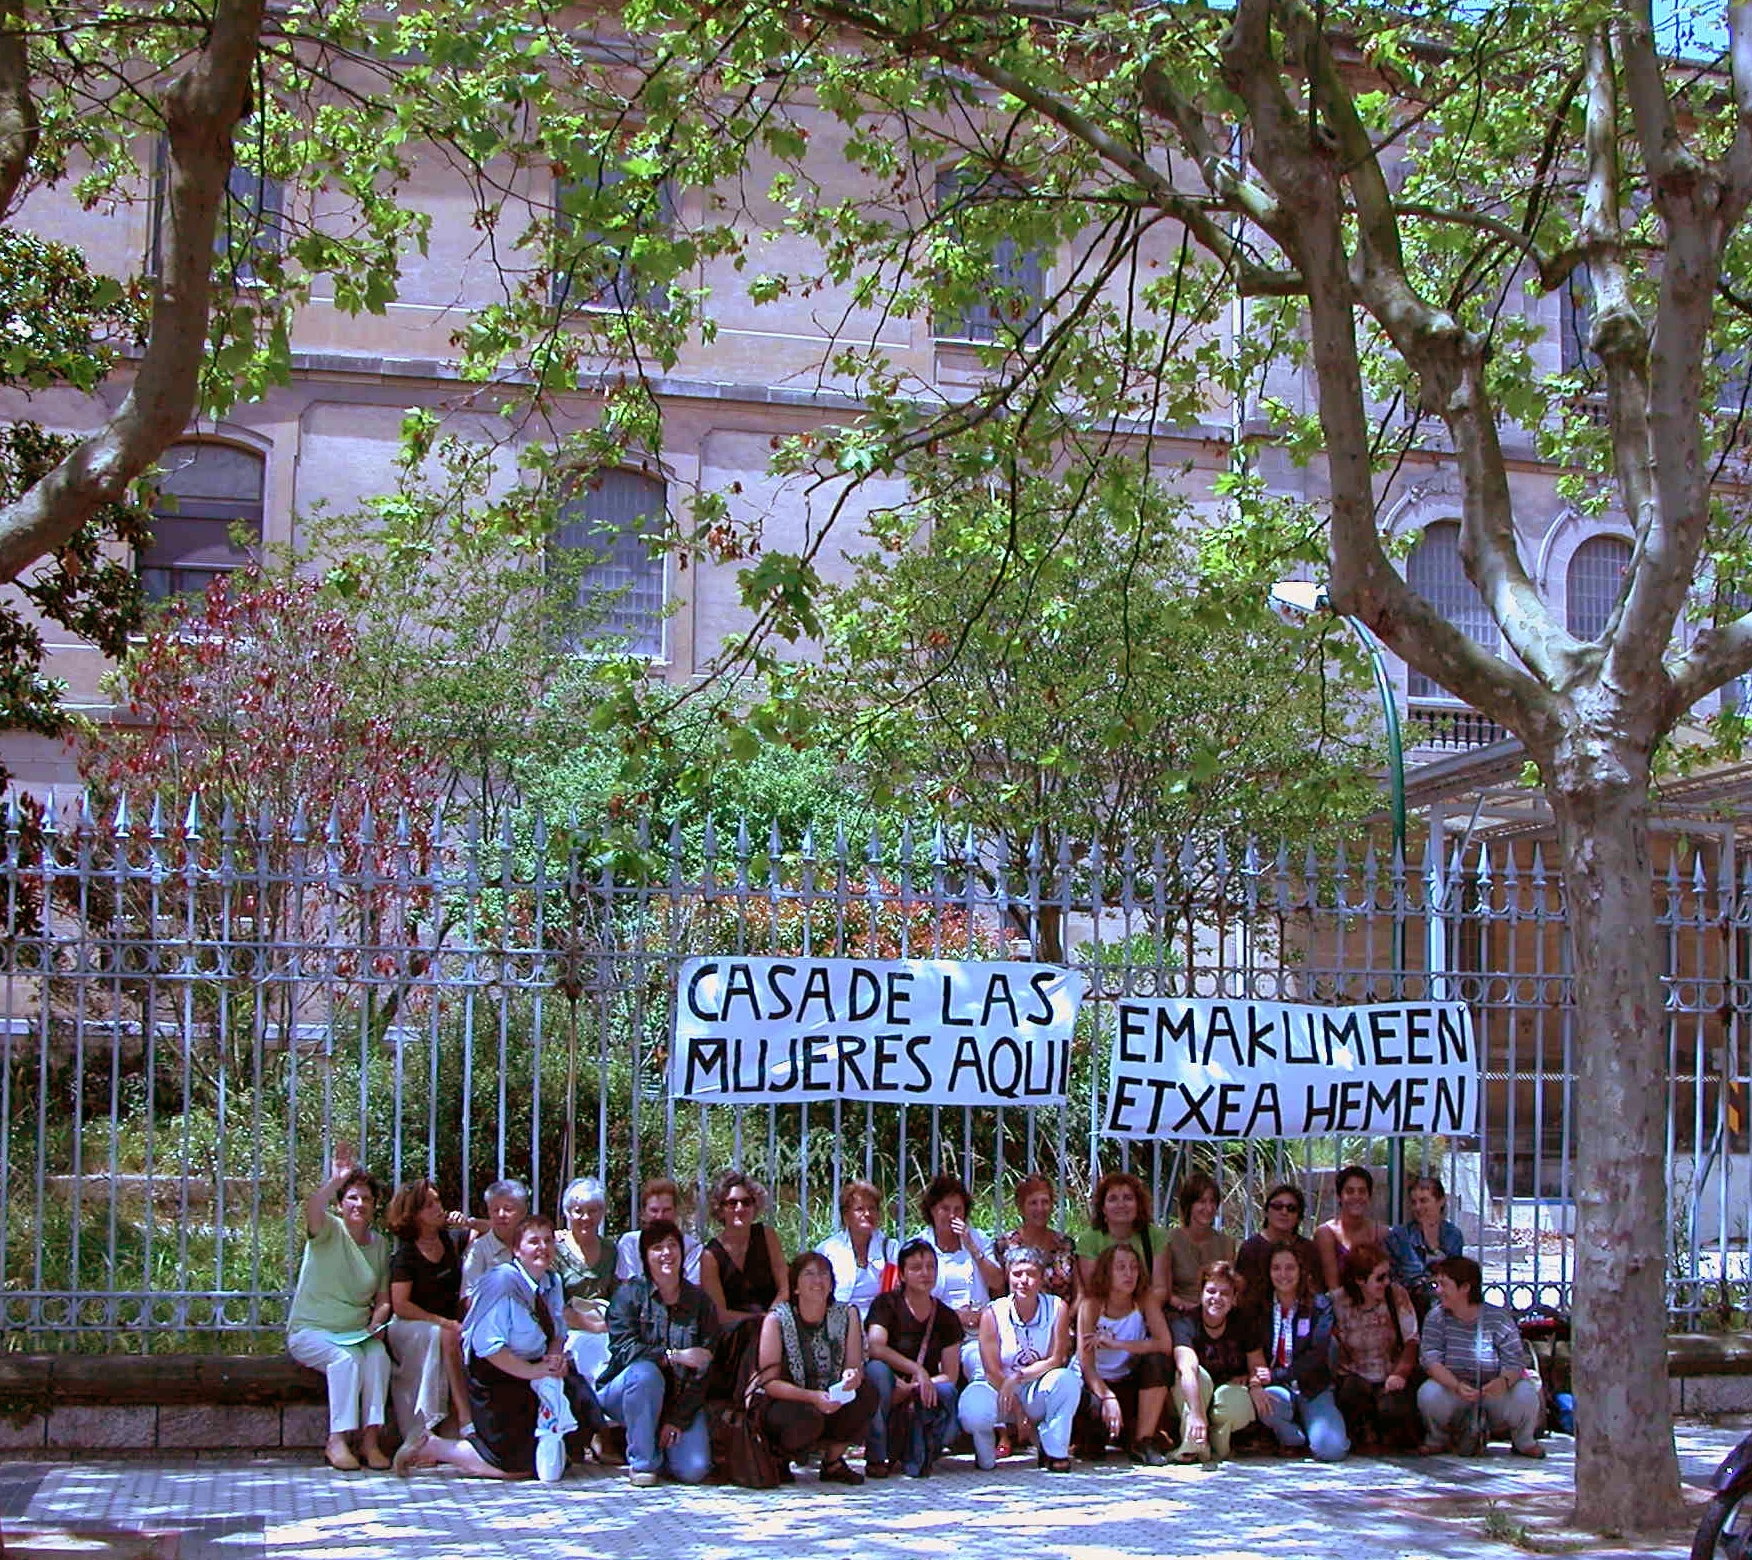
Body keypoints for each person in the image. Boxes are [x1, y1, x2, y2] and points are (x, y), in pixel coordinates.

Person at [394, 1216, 600, 1481]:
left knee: (571, 1419)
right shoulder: (502, 1284)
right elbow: (488, 1350)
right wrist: (535, 1371)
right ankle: (432, 1446)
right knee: (517, 1468)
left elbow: (557, 1332)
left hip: (531, 1374)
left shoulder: (552, 1281)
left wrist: (554, 1358)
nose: (542, 1247)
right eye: (533, 1241)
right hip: (497, 1378)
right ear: (516, 1249)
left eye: (548, 1240)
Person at [287, 1144, 393, 1472]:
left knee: (377, 1358)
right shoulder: (328, 1230)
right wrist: (336, 1180)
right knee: (345, 1361)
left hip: (355, 1333)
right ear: (341, 1203)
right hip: (312, 1332)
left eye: (366, 1199)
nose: (360, 1204)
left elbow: (384, 1299)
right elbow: (312, 1207)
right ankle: (337, 1441)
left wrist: (375, 1325)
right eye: (352, 1197)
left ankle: (371, 1440)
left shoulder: (380, 1245)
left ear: (375, 1206)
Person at [598, 1219, 717, 1485]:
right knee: (645, 1373)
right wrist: (674, 1355)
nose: (666, 1253)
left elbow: (706, 1368)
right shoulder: (628, 1295)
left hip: (678, 1400)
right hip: (628, 1391)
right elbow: (625, 1350)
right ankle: (643, 1463)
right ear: (645, 1256)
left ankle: (654, 1439)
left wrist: (676, 1420)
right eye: (657, 1247)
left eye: (672, 1246)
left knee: (694, 1470)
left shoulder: (700, 1303)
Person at [757, 1252, 879, 1483]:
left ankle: (833, 1462)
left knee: (868, 1392)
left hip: (831, 1394)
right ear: (795, 1287)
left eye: (824, 1274)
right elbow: (768, 1382)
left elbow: (854, 1365)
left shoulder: (847, 1314)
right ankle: (780, 1457)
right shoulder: (776, 1319)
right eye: (809, 1274)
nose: (818, 1280)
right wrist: (812, 1397)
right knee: (807, 1418)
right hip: (790, 1400)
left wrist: (851, 1376)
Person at [958, 1246, 1081, 1472]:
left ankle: (1055, 1450)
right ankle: (986, 1448)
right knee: (972, 1408)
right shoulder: (992, 1313)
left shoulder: (1056, 1308)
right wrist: (1017, 1411)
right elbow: (991, 1370)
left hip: (1035, 1386)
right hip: (1000, 1388)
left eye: (1031, 1274)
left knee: (1066, 1381)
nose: (1024, 1280)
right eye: (1017, 1274)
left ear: (1042, 1276)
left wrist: (1019, 1377)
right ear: (1008, 1276)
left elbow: (1056, 1359)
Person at [1417, 1256, 1544, 1458]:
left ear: (1465, 1287)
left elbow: (1514, 1360)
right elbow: (1431, 1360)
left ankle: (1524, 1441)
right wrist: (1456, 1386)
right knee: (1429, 1393)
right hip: (1456, 1392)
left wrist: (1503, 1382)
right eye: (1436, 1284)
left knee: (1526, 1393)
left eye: (1444, 1285)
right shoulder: (1436, 1317)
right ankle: (1437, 1439)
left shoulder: (1498, 1318)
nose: (1438, 1291)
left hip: (1493, 1393)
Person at [862, 1239, 964, 1479]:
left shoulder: (946, 1317)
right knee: (876, 1372)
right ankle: (877, 1455)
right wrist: (916, 1369)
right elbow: (876, 1347)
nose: (925, 1273)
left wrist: (915, 1385)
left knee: (948, 1391)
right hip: (890, 1385)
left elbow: (951, 1374)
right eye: (917, 1267)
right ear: (903, 1274)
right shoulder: (886, 1304)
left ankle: (920, 1450)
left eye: (931, 1267)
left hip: (922, 1392)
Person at [385, 1177, 472, 1441]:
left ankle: (448, 1424)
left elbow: (497, 1231)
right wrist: (442, 1322)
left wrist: (467, 1223)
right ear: (414, 1215)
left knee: (448, 1337)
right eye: (428, 1205)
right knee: (443, 1335)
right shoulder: (407, 1255)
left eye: (438, 1201)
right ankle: (451, 1419)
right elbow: (401, 1305)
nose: (438, 1208)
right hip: (409, 1326)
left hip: (445, 1328)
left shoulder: (451, 1240)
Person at [1074, 1242, 1174, 1464]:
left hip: (1128, 1378)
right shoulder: (1091, 1305)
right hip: (1096, 1384)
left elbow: (1164, 1344)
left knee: (1158, 1362)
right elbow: (1086, 1365)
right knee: (1094, 1450)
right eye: (1120, 1267)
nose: (1129, 1274)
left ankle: (1143, 1440)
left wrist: (1118, 1344)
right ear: (1106, 1272)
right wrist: (1107, 1396)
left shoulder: (1144, 1299)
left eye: (1134, 1267)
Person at [1251, 1241, 1347, 1462]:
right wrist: (1259, 1382)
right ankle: (1294, 1440)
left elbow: (1317, 1354)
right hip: (1277, 1390)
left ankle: (1316, 1425)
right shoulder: (1258, 1306)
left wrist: (1278, 1374)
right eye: (1276, 1268)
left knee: (1332, 1450)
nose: (1283, 1274)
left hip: (1312, 1387)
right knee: (1267, 1402)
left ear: (1301, 1270)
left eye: (1290, 1267)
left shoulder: (1320, 1305)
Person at [912, 1172, 1003, 1380]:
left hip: (976, 1332)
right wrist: (954, 1316)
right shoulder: (920, 1245)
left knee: (981, 1369)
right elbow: (914, 1297)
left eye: (958, 1210)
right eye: (945, 1209)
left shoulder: (978, 1239)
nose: (952, 1215)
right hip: (937, 1332)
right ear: (932, 1210)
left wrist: (972, 1247)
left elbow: (998, 1282)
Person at [1330, 1242, 1420, 1452]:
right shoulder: (1337, 1302)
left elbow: (1411, 1340)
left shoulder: (1396, 1295)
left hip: (1389, 1376)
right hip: (1354, 1377)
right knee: (1351, 1397)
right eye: (1379, 1278)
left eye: (1388, 1276)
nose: (1386, 1282)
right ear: (1360, 1280)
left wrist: (1400, 1374)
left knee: (1393, 1411)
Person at [1169, 1260, 1261, 1463]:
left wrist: (1254, 1383)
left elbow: (1258, 1366)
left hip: (1224, 1399)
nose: (1216, 1298)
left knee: (1239, 1399)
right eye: (1211, 1291)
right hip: (1193, 1395)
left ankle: (1217, 1441)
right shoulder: (1185, 1323)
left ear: (1234, 1298)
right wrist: (1196, 1412)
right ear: (1201, 1293)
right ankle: (1192, 1445)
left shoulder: (1243, 1322)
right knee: (1198, 1376)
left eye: (1225, 1293)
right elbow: (1187, 1369)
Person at [699, 1169, 788, 1325]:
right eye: (732, 1203)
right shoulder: (710, 1256)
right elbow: (719, 1314)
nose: (740, 1208)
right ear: (720, 1209)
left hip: (774, 1323)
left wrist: (770, 1320)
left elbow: (785, 1289)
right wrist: (759, 1320)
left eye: (746, 1202)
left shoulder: (767, 1236)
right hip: (735, 1331)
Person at [554, 1176, 618, 1384]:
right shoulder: (555, 1251)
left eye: (593, 1210)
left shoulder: (611, 1250)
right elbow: (554, 1306)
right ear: (568, 1213)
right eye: (578, 1211)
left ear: (602, 1213)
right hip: (569, 1333)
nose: (585, 1217)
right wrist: (595, 1327)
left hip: (605, 1330)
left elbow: (618, 1299)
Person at [1075, 1171, 1170, 1305]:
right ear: (1103, 1208)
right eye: (1113, 1199)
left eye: (1128, 1198)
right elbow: (1092, 1291)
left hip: (1147, 1311)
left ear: (1138, 1204)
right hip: (1103, 1315)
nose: (1121, 1204)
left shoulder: (1155, 1236)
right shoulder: (1089, 1239)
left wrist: (1135, 1313)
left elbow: (1160, 1289)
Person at [814, 1180, 899, 1313]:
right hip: (839, 1319)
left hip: (880, 1321)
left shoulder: (890, 1249)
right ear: (846, 1216)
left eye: (872, 1208)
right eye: (860, 1209)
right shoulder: (828, 1250)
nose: (867, 1214)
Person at [1386, 1176, 1466, 1317]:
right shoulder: (1399, 1236)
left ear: (1440, 1201)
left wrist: (1433, 1246)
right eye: (1414, 1202)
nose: (1418, 1207)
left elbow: (1454, 1277)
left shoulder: (1453, 1235)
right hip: (1409, 1308)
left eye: (1423, 1201)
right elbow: (1401, 1279)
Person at [993, 1174, 1078, 1303]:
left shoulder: (1065, 1245)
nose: (1040, 1208)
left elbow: (1078, 1294)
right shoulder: (1004, 1245)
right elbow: (998, 1297)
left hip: (1062, 1320)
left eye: (1045, 1202)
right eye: (1033, 1203)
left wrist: (1065, 1320)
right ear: (1021, 1207)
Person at [1235, 1183, 1320, 1305]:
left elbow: (1316, 1292)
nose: (1284, 1212)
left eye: (1291, 1208)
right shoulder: (1250, 1249)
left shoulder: (1308, 1249)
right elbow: (1241, 1294)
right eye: (1277, 1206)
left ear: (1299, 1217)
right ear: (1266, 1211)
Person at [1166, 1172, 1236, 1314]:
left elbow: (1229, 1288)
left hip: (1216, 1313)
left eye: (1212, 1202)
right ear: (1189, 1204)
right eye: (1202, 1202)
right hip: (1181, 1313)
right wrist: (1186, 1307)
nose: (1209, 1208)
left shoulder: (1227, 1243)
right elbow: (1164, 1291)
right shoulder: (1169, 1241)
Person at [1315, 1165, 1391, 1295]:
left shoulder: (1383, 1233)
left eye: (1362, 1191)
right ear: (1339, 1196)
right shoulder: (1326, 1234)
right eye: (1350, 1191)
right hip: (1338, 1307)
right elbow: (1334, 1289)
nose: (1356, 1196)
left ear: (1369, 1196)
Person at [614, 1177, 704, 1284]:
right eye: (654, 1210)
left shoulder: (692, 1248)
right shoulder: (629, 1243)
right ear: (643, 1213)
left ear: (676, 1212)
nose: (660, 1217)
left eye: (666, 1210)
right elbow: (629, 1287)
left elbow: (692, 1290)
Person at [460, 1178, 530, 1303]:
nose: (501, 1214)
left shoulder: (534, 1245)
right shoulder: (478, 1249)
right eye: (495, 1210)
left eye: (508, 1209)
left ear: (523, 1211)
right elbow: (467, 1298)